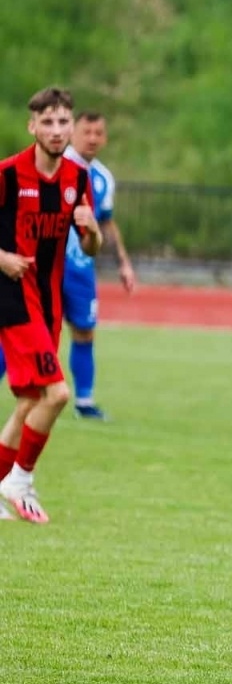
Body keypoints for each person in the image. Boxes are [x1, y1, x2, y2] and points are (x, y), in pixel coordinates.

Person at [0, 87, 102, 523]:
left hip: (47, 303)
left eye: (64, 122)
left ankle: (4, 480)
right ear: (33, 126)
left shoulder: (76, 180)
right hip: (12, 300)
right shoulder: (7, 175)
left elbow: (92, 247)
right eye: (48, 122)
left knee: (28, 402)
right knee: (57, 393)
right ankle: (20, 478)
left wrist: (91, 228)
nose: (57, 131)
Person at [60, 111, 136, 419]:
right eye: (86, 131)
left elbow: (106, 222)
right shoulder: (55, 166)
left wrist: (124, 263)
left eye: (98, 132)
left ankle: (85, 402)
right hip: (45, 268)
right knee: (24, 333)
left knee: (84, 332)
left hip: (81, 270)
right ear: (72, 132)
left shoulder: (103, 178)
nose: (92, 138)